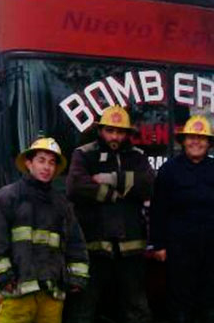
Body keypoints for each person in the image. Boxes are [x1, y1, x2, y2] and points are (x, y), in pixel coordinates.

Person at [0, 137, 89, 323]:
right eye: (41, 160)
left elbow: (76, 243)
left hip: (51, 291)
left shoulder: (61, 204)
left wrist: (77, 277)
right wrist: (4, 277)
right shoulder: (8, 198)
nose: (47, 167)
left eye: (52, 162)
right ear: (28, 163)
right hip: (18, 290)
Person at [65, 105, 154, 323]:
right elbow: (76, 186)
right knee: (84, 308)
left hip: (130, 247)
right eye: (110, 130)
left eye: (120, 131)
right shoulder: (84, 154)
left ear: (127, 133)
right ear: (100, 130)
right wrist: (115, 194)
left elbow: (148, 185)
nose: (115, 136)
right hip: (94, 246)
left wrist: (108, 179)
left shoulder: (138, 156)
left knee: (136, 307)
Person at [149, 115, 214, 323]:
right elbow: (158, 210)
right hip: (179, 250)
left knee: (212, 303)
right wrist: (158, 244)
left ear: (209, 143)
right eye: (191, 137)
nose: (196, 142)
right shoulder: (168, 170)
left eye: (201, 138)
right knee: (180, 305)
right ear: (183, 141)